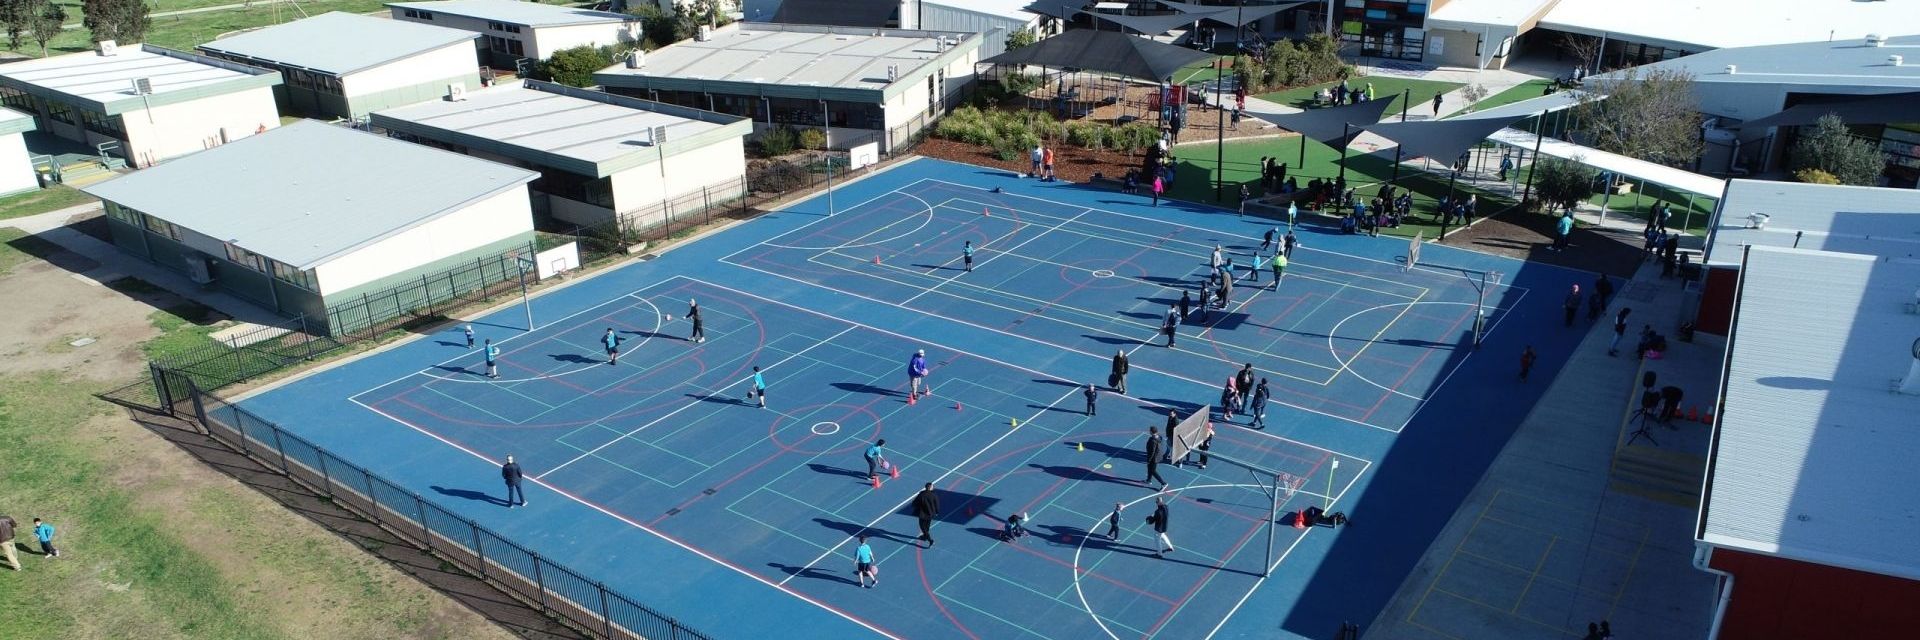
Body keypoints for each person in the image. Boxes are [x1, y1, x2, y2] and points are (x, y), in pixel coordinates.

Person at [912, 483, 940, 548]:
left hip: (922, 513)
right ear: (930, 487)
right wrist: (937, 512)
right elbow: (937, 504)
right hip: (930, 513)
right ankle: (925, 536)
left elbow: (914, 503)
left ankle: (930, 540)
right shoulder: (934, 495)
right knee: (927, 525)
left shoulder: (921, 494)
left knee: (922, 526)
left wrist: (918, 507)